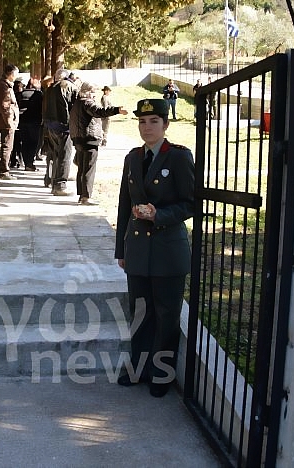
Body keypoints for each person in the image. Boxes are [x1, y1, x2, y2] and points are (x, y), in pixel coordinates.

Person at [114, 98, 195, 398]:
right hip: (137, 250)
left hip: (167, 251)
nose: (147, 127)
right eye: (142, 122)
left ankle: (162, 374)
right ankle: (138, 369)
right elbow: (124, 204)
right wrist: (121, 250)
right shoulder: (132, 158)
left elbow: (190, 204)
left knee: (166, 314)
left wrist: (158, 215)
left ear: (166, 125)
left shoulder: (178, 157)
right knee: (139, 313)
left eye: (153, 122)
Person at [69, 82, 127, 205]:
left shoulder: (77, 103)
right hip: (89, 139)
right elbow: (99, 111)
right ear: (89, 92)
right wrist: (116, 110)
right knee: (89, 168)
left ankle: (81, 194)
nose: (95, 95)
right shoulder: (87, 102)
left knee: (82, 168)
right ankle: (86, 197)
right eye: (94, 91)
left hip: (79, 139)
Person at [42, 68, 78, 195]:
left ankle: (53, 181)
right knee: (64, 155)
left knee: (55, 155)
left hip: (50, 125)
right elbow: (75, 105)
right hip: (63, 125)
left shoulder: (50, 88)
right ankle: (60, 185)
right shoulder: (68, 86)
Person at [0, 64, 20, 180]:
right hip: (6, 123)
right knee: (7, 146)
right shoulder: (4, 87)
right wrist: (10, 123)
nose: (16, 76)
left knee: (7, 145)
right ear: (10, 74)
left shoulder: (6, 85)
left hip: (7, 122)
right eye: (15, 74)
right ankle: (4, 171)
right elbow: (5, 107)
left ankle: (2, 168)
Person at [17, 78, 44, 171]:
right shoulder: (38, 95)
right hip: (34, 121)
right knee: (33, 143)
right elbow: (42, 108)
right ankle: (30, 163)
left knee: (25, 142)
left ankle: (26, 163)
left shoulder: (22, 94)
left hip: (22, 121)